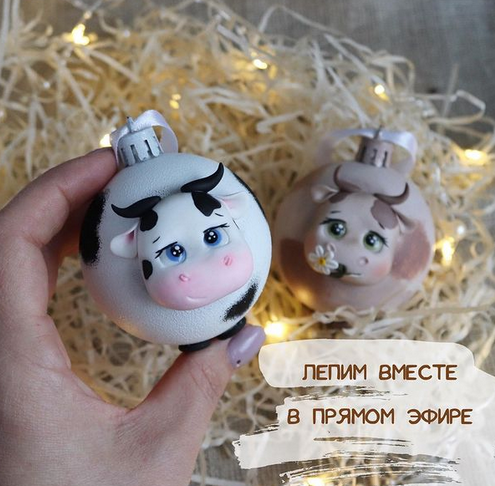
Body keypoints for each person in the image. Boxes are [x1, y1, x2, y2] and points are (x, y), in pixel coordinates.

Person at [0, 148, 265, 485]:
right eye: (174, 252)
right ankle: (197, 332)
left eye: (213, 236)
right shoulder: (116, 266)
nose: (205, 265)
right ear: (132, 246)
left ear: (230, 209)